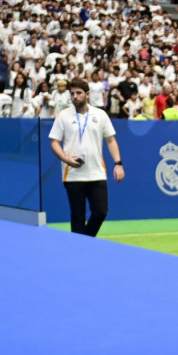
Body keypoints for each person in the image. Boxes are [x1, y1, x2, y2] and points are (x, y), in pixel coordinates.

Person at [48, 77, 125, 237]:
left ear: (87, 94)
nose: (75, 96)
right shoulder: (63, 115)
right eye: (72, 93)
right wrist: (66, 159)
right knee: (77, 217)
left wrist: (118, 163)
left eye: (79, 93)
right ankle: (79, 251)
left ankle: (85, 241)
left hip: (96, 173)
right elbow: (54, 142)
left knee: (101, 212)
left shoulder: (100, 114)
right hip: (73, 175)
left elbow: (111, 140)